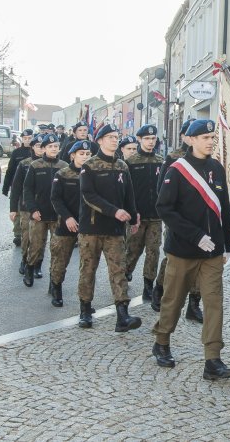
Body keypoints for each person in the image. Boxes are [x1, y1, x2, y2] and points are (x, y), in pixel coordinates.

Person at [151, 119, 230, 380]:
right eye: (205, 137)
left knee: (214, 303)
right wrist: (195, 235)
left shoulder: (217, 168)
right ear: (191, 140)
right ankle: (162, 341)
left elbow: (223, 207)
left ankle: (213, 359)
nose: (210, 141)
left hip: (211, 253)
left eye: (212, 137)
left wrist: (227, 244)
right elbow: (164, 208)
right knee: (173, 300)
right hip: (182, 250)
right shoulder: (177, 170)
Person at [77, 124, 141, 332]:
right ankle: (85, 309)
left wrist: (133, 216)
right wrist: (114, 211)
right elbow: (89, 195)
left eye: (116, 137)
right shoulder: (90, 165)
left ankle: (122, 314)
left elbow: (129, 193)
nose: (115, 140)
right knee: (88, 269)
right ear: (100, 140)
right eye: (110, 137)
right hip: (92, 228)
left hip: (115, 229)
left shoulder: (122, 166)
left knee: (118, 270)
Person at [151, 118, 203, 324]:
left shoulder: (208, 157)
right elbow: (162, 191)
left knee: (200, 261)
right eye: (190, 134)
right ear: (184, 136)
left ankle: (194, 303)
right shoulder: (173, 158)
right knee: (173, 258)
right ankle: (160, 288)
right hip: (178, 220)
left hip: (201, 220)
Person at [49, 140, 91, 307]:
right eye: (81, 154)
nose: (85, 157)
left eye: (88, 154)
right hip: (66, 224)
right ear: (73, 155)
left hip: (87, 225)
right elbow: (56, 199)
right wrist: (67, 217)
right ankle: (56, 288)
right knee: (60, 260)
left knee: (87, 263)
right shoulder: (63, 174)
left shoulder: (92, 173)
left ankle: (85, 299)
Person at [124, 125, 164, 298]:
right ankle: (125, 274)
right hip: (136, 216)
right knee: (133, 249)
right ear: (139, 139)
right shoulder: (131, 162)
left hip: (155, 215)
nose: (150, 142)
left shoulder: (161, 161)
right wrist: (131, 213)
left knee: (153, 251)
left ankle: (148, 285)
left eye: (153, 138)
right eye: (147, 139)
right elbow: (126, 190)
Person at [22, 133, 67, 288]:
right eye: (50, 146)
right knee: (35, 246)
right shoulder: (36, 166)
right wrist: (32, 209)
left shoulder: (64, 166)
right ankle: (29, 268)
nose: (54, 149)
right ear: (44, 148)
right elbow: (27, 189)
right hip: (39, 214)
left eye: (56, 146)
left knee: (57, 249)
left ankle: (53, 281)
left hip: (57, 216)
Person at [10, 134, 45, 276]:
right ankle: (24, 260)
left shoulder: (52, 164)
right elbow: (17, 187)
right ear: (32, 147)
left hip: (43, 206)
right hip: (25, 206)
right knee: (26, 236)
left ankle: (37, 264)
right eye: (38, 146)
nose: (41, 149)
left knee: (41, 237)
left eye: (44, 146)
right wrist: (13, 209)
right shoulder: (24, 164)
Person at [2, 128, 33, 246]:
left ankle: (30, 233)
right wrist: (5, 187)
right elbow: (10, 171)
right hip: (18, 185)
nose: (28, 141)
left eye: (30, 138)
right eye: (25, 139)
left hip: (31, 187)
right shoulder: (16, 153)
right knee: (17, 210)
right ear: (22, 139)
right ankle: (18, 234)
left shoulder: (36, 152)